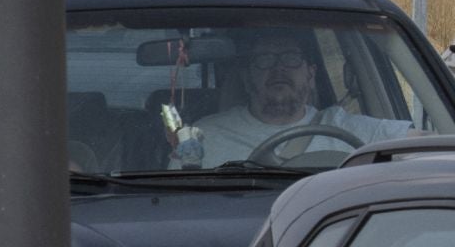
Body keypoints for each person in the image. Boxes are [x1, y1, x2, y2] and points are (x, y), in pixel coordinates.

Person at [179, 32, 419, 168]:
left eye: (291, 58)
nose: (279, 68)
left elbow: (428, 147)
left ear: (311, 74)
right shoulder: (205, 135)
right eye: (265, 59)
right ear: (246, 76)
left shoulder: (348, 129)